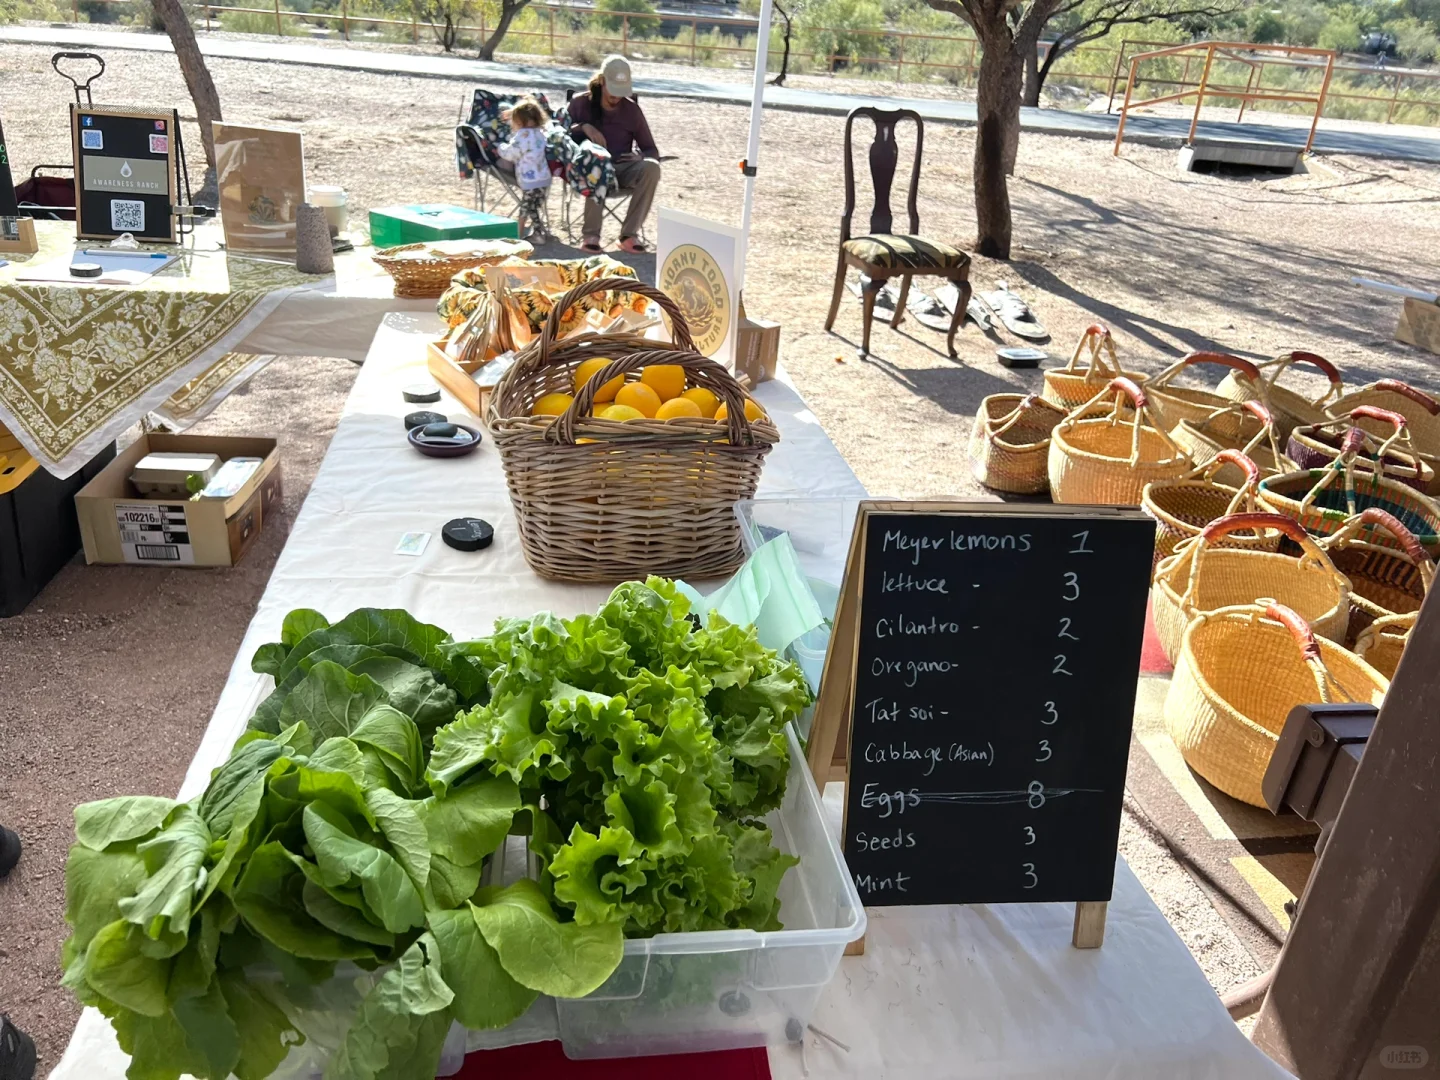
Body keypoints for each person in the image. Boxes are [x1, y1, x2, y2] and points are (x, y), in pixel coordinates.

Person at [566, 55, 660, 253]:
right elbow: (558, 133)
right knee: (597, 162)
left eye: (621, 92)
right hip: (587, 169)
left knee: (652, 167)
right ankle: (591, 234)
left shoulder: (632, 110)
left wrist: (640, 157)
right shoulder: (580, 103)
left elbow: (651, 149)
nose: (616, 97)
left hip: (621, 169)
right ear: (602, 81)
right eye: (613, 91)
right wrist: (584, 128)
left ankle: (628, 235)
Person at [496, 96, 553, 241]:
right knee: (533, 207)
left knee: (525, 208)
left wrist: (500, 148)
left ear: (520, 121)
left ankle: (519, 234)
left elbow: (511, 153)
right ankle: (539, 232)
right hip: (544, 179)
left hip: (530, 180)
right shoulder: (541, 133)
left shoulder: (522, 135)